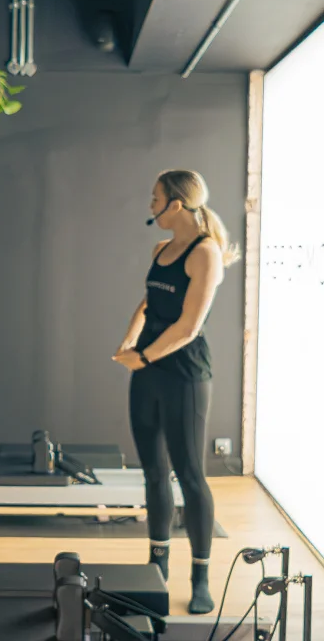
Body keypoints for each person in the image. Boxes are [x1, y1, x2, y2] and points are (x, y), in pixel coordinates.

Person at [112, 170, 238, 616]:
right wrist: (129, 343)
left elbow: (190, 326)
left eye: (155, 199)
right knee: (153, 472)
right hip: (146, 371)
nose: (150, 206)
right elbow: (147, 304)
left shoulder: (207, 253)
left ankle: (200, 575)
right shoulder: (161, 248)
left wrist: (144, 358)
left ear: (176, 206)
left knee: (190, 474)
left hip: (184, 373)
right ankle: (157, 564)